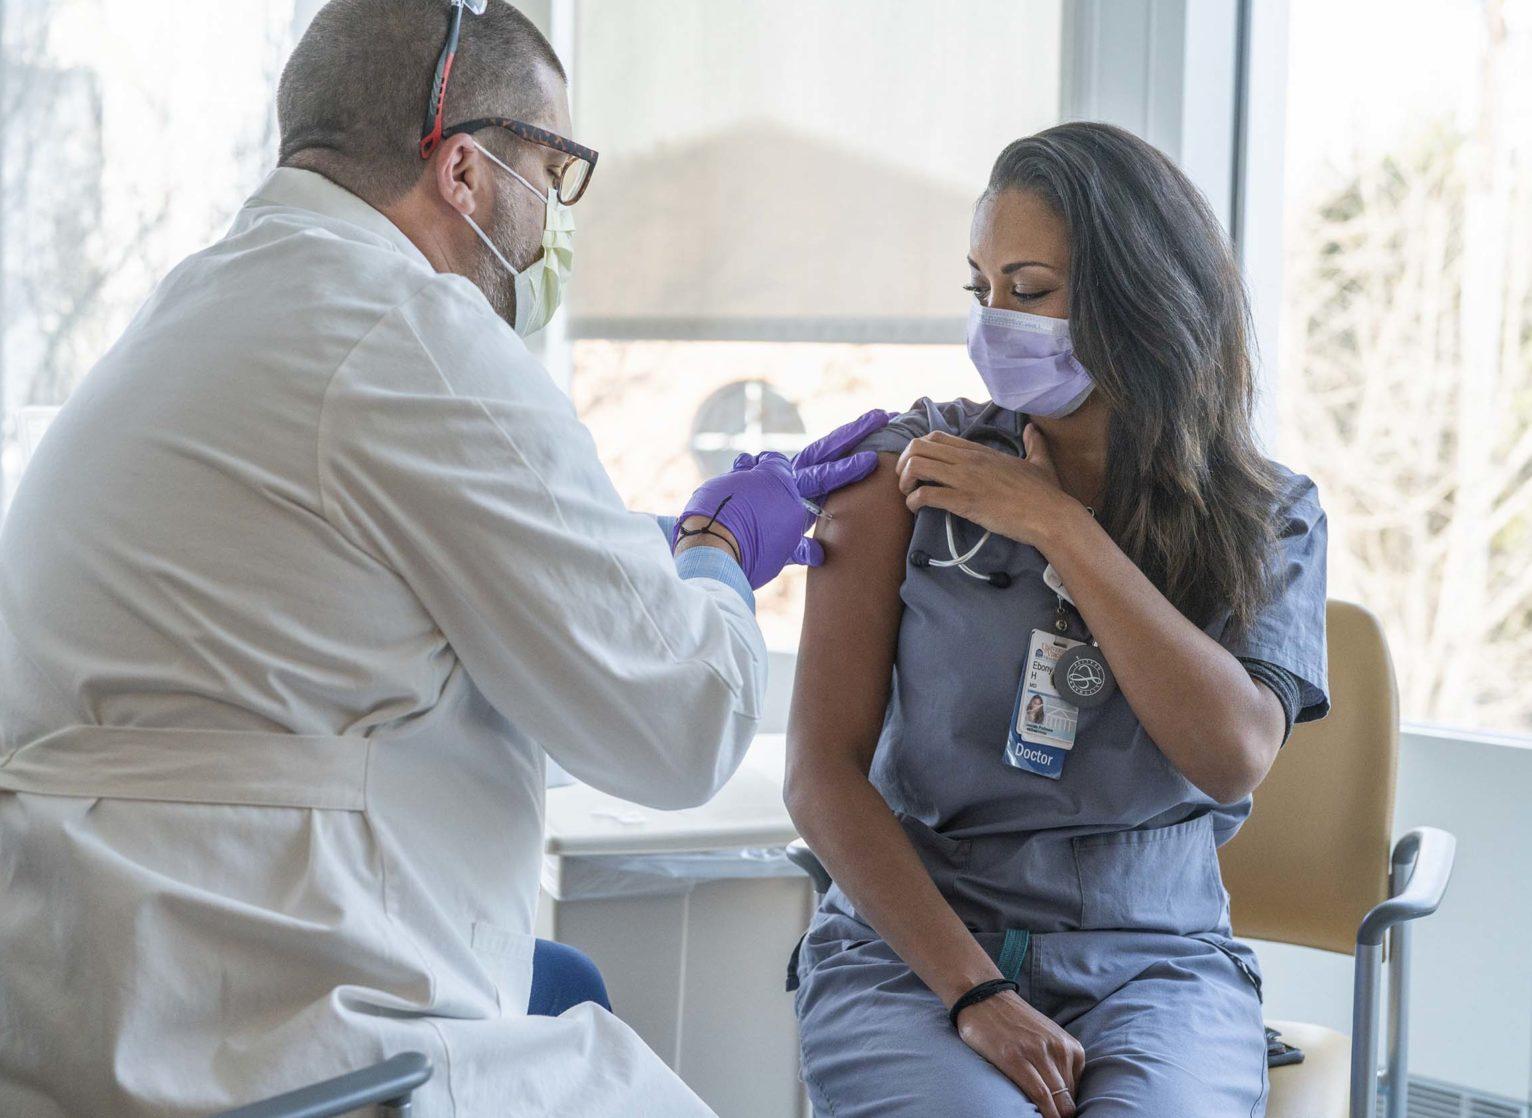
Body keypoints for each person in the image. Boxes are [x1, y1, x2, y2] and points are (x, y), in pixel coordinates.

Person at [0, 2, 888, 1115]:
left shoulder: (199, 310)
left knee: (568, 990)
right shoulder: (413, 333)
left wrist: (617, 571)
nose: (552, 228)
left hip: (90, 995)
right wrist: (713, 555)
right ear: (463, 170)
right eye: (552, 171)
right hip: (276, 1039)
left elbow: (326, 632)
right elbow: (683, 724)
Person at [785, 122, 1330, 1118]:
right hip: (915, 956)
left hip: (1156, 965)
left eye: (1027, 290)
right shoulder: (904, 476)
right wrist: (974, 989)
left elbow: (1231, 752)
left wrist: (1062, 533)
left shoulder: (1266, 512)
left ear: (1139, 300)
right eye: (980, 289)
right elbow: (819, 771)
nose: (995, 321)